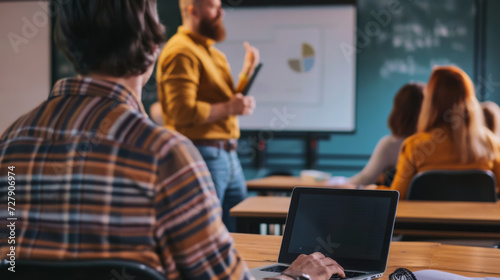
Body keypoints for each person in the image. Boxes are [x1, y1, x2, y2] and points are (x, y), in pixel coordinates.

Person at [0, 1, 344, 279]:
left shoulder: (10, 143)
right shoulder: (166, 154)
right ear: (153, 48)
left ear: (68, 44)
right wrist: (298, 276)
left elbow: (10, 260)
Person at [156, 0, 258, 232]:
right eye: (213, 6)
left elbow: (224, 102)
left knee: (240, 231)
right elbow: (180, 112)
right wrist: (230, 108)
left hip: (228, 155)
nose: (221, 12)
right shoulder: (181, 51)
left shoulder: (212, 53)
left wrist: (246, 74)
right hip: (203, 154)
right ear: (193, 10)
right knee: (206, 232)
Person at [385, 66, 500, 199]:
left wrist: (378, 189)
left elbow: (398, 198)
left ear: (430, 103)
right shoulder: (491, 144)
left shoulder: (414, 146)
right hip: (477, 219)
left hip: (425, 220)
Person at [347, 83, 424, 187]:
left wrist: (336, 184)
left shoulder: (391, 144)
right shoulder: (436, 144)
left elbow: (366, 178)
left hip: (400, 202)